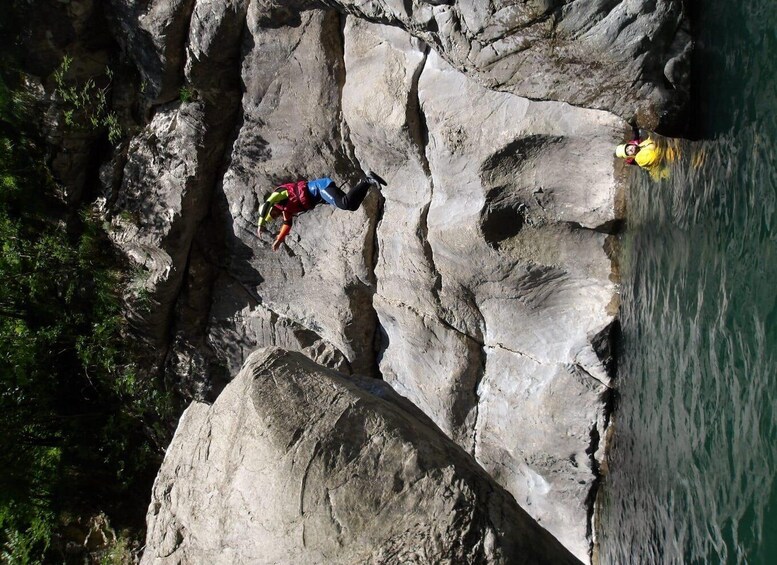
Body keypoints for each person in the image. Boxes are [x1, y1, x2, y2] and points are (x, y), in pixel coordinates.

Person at [257, 172, 387, 251]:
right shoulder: (285, 209)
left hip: (320, 188)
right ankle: (367, 182)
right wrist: (279, 240)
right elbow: (287, 224)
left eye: (273, 214)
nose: (275, 215)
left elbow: (269, 201)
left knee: (344, 203)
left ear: (272, 208)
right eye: (274, 217)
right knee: (352, 205)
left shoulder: (278, 195)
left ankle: (366, 180)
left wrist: (260, 224)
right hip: (322, 194)